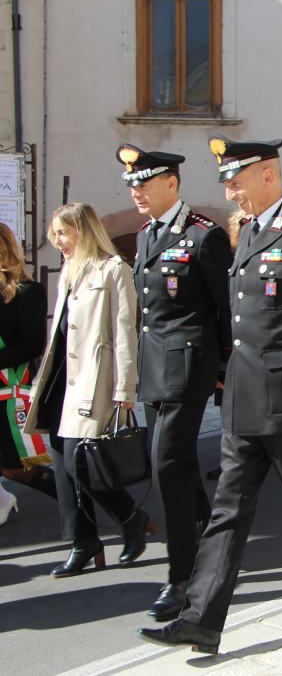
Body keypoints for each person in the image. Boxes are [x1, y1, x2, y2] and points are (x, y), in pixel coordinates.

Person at [138, 135, 282, 654]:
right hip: (245, 395)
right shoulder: (247, 233)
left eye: (237, 181)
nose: (231, 191)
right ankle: (200, 618)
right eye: (227, 182)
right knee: (228, 508)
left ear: (268, 174)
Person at [116, 144, 233, 621]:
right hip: (154, 368)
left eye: (144, 183)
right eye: (132, 186)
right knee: (177, 463)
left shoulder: (203, 237)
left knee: (166, 464)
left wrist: (226, 370)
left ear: (171, 183)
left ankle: (181, 576)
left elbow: (226, 310)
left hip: (188, 366)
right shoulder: (146, 235)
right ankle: (211, 544)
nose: (137, 192)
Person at [24, 203, 151, 576]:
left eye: (63, 233)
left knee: (84, 462)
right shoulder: (68, 270)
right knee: (64, 465)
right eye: (54, 235)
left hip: (95, 379)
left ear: (84, 230)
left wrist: (125, 388)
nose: (58, 242)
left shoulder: (115, 270)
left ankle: (129, 518)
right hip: (62, 380)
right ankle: (85, 540)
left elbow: (124, 332)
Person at [0, 222, 54, 521]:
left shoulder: (26, 291)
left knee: (17, 467)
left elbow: (33, 344)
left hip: (8, 392)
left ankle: (82, 502)